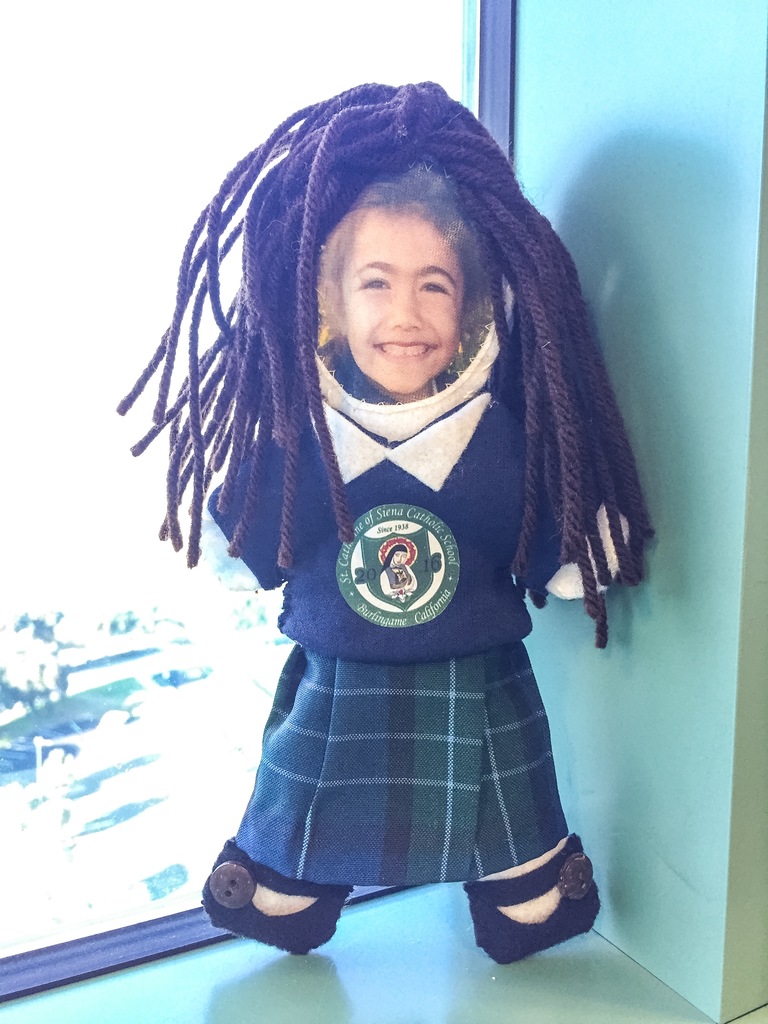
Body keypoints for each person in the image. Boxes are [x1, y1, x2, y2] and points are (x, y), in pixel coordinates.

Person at [119, 83, 652, 963]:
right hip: (339, 686)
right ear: (326, 300)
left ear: (476, 304)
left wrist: (583, 552)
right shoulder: (306, 449)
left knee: (513, 814)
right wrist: (215, 531)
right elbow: (239, 536)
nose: (405, 316)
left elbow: (550, 537)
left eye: (435, 285)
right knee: (302, 797)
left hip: (479, 683)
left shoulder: (494, 444)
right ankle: (280, 889)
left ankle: (527, 891)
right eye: (376, 283)